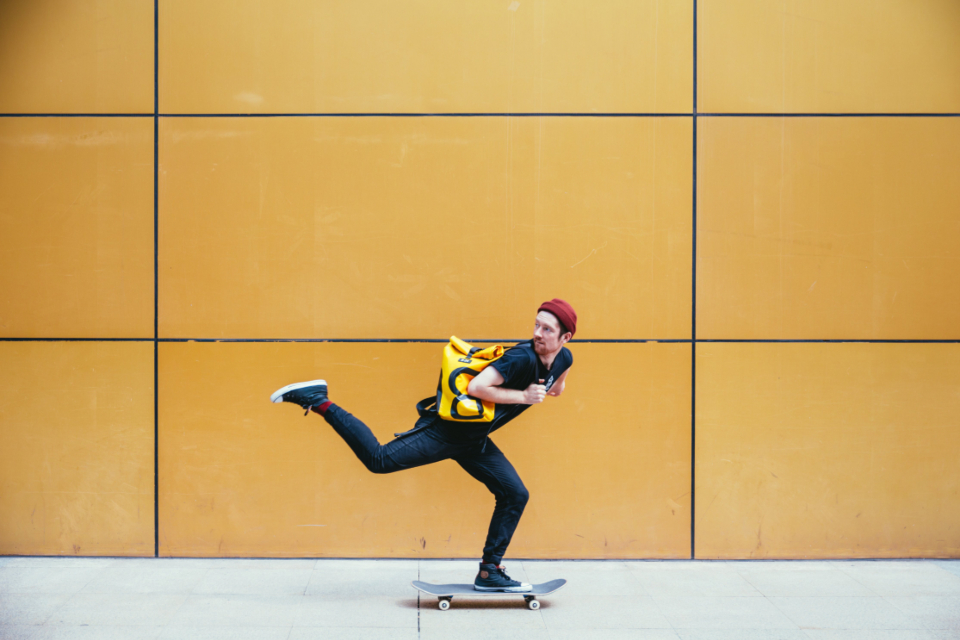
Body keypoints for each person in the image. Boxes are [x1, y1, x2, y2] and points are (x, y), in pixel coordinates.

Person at [271, 299, 576, 592]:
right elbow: (477, 387)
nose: (537, 333)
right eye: (536, 325)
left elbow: (557, 387)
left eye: (547, 329)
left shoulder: (564, 358)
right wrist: (523, 396)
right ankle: (319, 399)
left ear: (565, 338)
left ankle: (490, 572)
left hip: (474, 440)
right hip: (447, 432)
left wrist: (550, 386)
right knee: (378, 460)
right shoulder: (521, 357)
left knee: (514, 494)